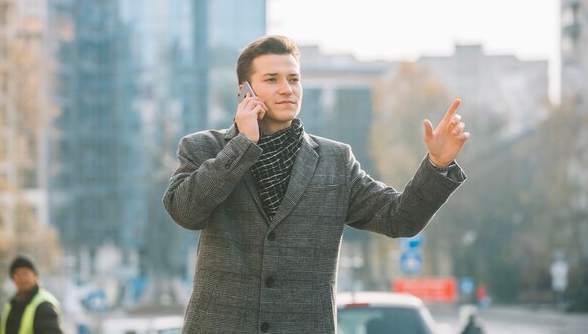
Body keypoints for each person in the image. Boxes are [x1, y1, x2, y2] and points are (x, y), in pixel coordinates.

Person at [163, 35, 470, 334]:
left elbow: (399, 218)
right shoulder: (204, 148)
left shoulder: (335, 160)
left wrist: (437, 164)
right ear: (245, 90)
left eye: (293, 79)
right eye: (271, 79)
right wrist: (243, 144)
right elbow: (186, 212)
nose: (286, 89)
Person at [0, 256, 63, 334]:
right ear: (13, 278)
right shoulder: (12, 304)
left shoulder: (44, 305)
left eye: (25, 274)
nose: (22, 279)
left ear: (35, 276)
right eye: (18, 274)